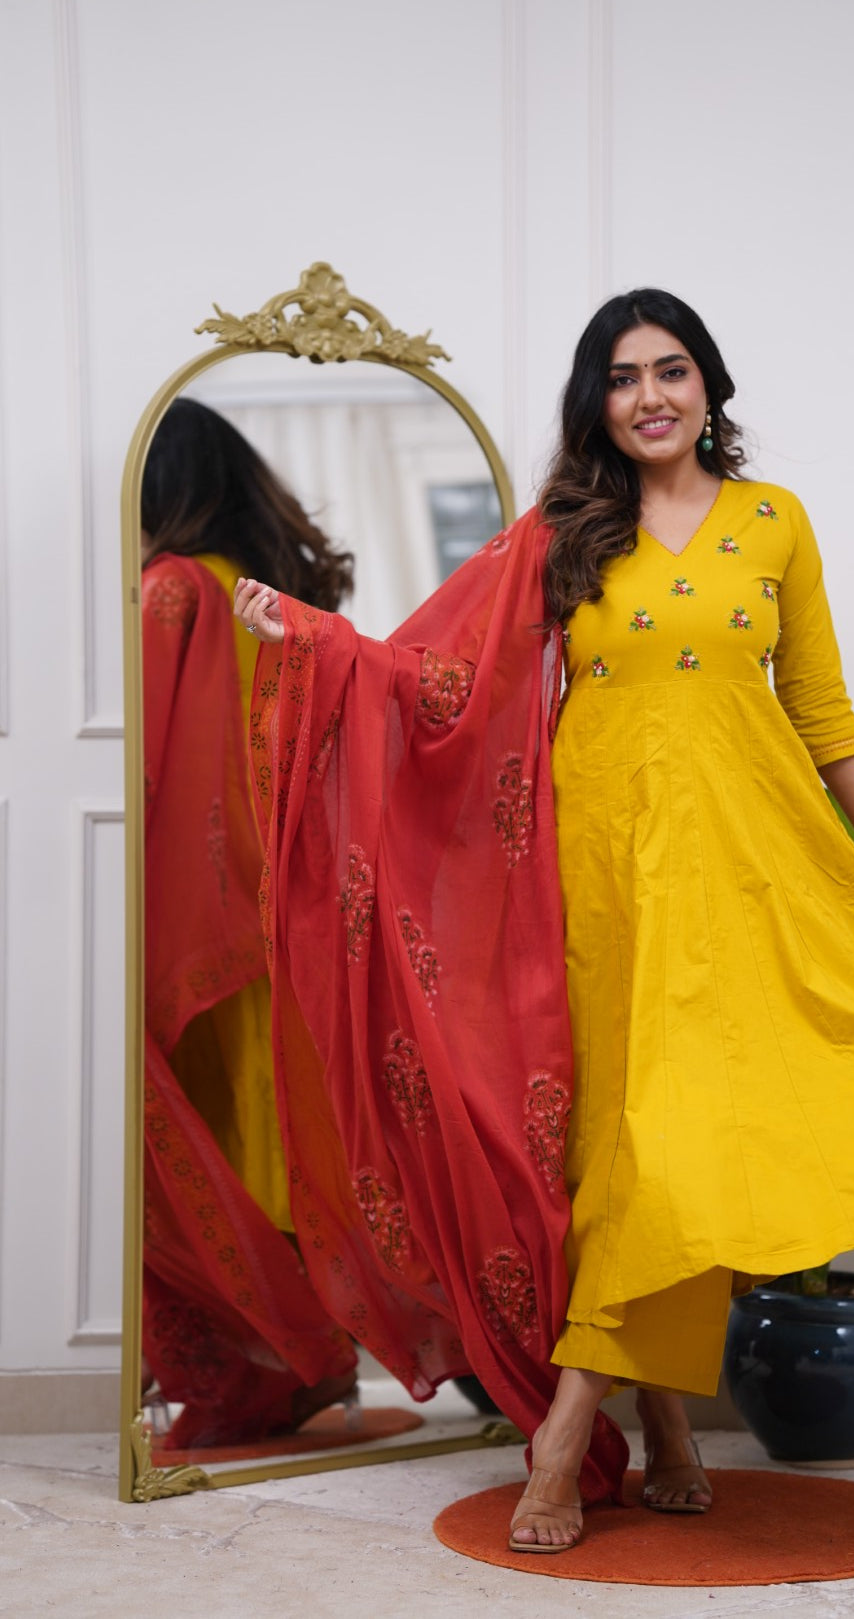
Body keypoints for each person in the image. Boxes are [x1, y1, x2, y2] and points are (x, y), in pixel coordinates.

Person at [234, 290, 854, 1547]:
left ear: (708, 385)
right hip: (604, 877)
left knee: (682, 1147)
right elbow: (445, 676)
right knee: (628, 1152)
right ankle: (669, 1427)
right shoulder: (566, 533)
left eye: (670, 371)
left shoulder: (776, 522)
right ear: (598, 405)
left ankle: (564, 1440)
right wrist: (317, 638)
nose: (650, 397)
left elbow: (823, 711)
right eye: (622, 378)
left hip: (753, 867)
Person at [141, 398, 359, 1446]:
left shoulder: (172, 588)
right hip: (293, 906)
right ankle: (307, 1362)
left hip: (204, 909)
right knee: (279, 1147)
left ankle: (278, 1367)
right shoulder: (269, 593)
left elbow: (140, 762)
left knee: (207, 1150)